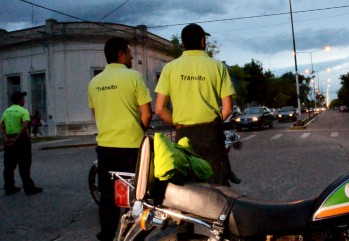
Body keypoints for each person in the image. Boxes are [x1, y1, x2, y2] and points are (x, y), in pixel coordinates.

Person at [155, 23, 240, 186]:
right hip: (211, 134)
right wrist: (213, 123)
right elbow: (228, 108)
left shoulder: (169, 68)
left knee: (189, 185)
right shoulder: (217, 66)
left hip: (184, 134)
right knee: (217, 185)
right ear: (203, 42)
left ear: (182, 44)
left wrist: (178, 122)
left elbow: (159, 109)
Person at [88, 37, 152, 241]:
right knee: (137, 194)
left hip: (105, 146)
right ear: (120, 54)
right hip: (132, 147)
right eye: (129, 52)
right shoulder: (134, 77)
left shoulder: (94, 82)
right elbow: (147, 114)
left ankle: (106, 235)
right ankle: (135, 236)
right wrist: (140, 128)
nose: (132, 55)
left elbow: (95, 114)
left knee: (107, 194)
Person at [1, 91, 43, 196]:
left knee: (9, 166)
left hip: (9, 140)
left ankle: (9, 187)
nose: (24, 100)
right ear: (20, 100)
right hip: (21, 140)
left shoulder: (6, 111)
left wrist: (5, 138)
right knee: (24, 165)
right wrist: (16, 138)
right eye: (23, 98)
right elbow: (25, 126)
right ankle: (29, 188)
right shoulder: (23, 111)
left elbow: (1, 125)